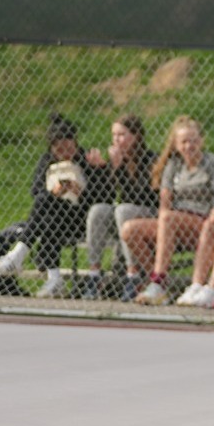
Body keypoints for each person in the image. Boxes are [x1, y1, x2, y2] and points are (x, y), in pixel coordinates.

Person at [0, 114, 108, 297]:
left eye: (69, 148)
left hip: (79, 219)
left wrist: (84, 190)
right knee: (47, 209)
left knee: (45, 209)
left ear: (75, 144)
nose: (65, 153)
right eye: (59, 150)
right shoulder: (47, 162)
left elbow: (103, 198)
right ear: (52, 149)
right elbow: (36, 192)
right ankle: (53, 279)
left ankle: (19, 255)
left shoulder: (86, 160)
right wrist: (55, 192)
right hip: (53, 218)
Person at [125, 117, 214, 306]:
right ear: (176, 144)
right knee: (130, 230)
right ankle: (161, 285)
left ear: (202, 141)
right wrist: (165, 221)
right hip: (173, 223)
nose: (189, 146)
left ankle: (158, 282)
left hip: (202, 222)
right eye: (184, 142)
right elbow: (165, 199)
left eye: (194, 140)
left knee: (169, 218)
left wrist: (212, 223)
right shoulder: (173, 165)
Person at [79, 114, 157, 300]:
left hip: (148, 216)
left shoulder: (151, 159)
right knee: (98, 210)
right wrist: (100, 170)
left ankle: (133, 275)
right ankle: (95, 274)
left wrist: (119, 169)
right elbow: (105, 197)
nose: (116, 139)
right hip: (122, 219)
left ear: (136, 136)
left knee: (124, 210)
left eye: (121, 134)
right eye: (114, 135)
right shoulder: (117, 161)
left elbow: (144, 196)